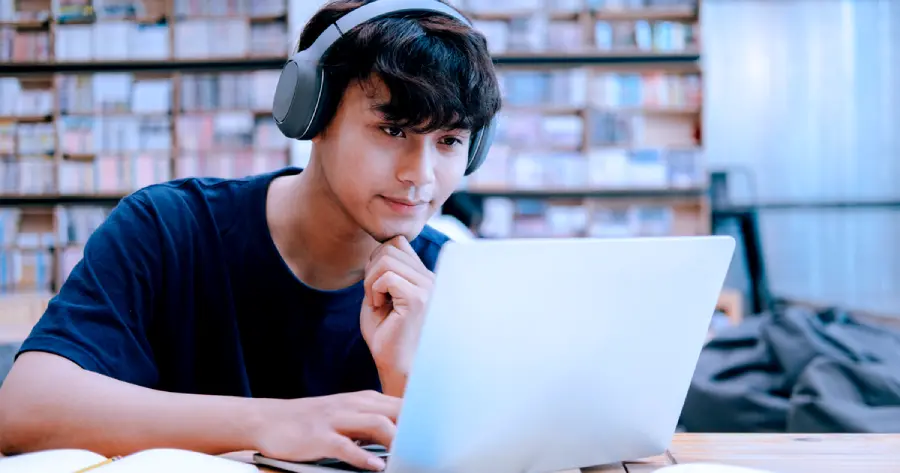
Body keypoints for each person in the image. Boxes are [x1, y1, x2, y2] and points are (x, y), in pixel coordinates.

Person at [0, 1, 501, 471]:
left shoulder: (454, 282)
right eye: (393, 131)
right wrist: (274, 422)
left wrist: (407, 378)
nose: (422, 174)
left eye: (450, 141)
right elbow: (23, 409)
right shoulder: (167, 228)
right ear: (312, 114)